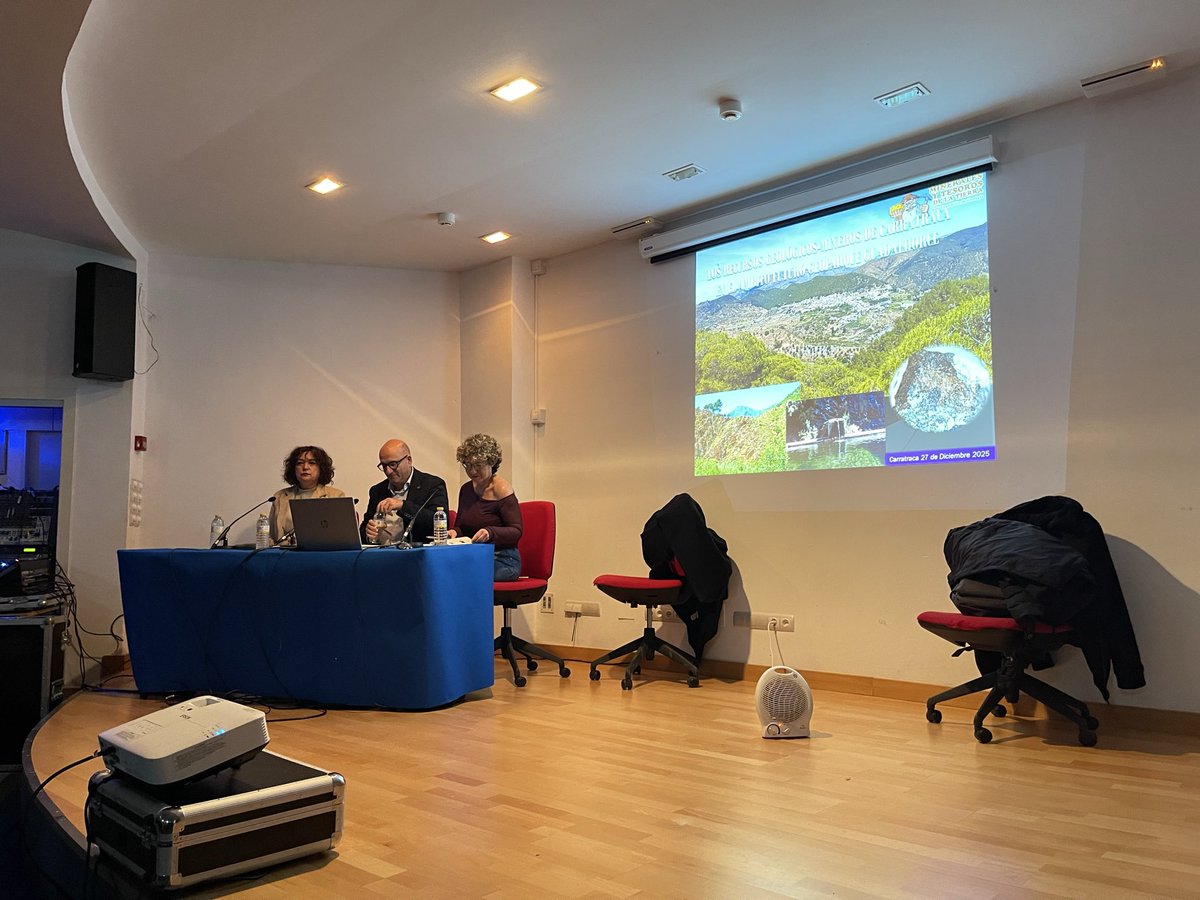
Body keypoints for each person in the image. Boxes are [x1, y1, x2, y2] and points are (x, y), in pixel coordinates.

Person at [447, 433, 522, 581]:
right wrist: (454, 532)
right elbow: (462, 527)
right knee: (444, 569)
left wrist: (490, 532)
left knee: (462, 575)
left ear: (491, 462)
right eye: (468, 465)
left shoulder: (502, 489)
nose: (472, 471)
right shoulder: (466, 490)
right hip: (475, 555)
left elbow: (516, 531)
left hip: (503, 559)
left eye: (478, 465)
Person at [361, 439, 449, 544]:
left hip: (415, 551)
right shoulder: (377, 490)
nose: (388, 471)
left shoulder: (433, 485)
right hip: (381, 550)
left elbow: (436, 522)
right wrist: (368, 533)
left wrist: (403, 506)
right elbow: (363, 530)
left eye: (393, 464)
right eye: (384, 466)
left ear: (409, 460)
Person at [270, 445, 345, 544]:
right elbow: (271, 536)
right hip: (285, 551)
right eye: (300, 463)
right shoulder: (280, 497)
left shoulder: (335, 496)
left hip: (321, 551)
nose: (305, 467)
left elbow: (340, 535)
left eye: (312, 463)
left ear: (321, 468)